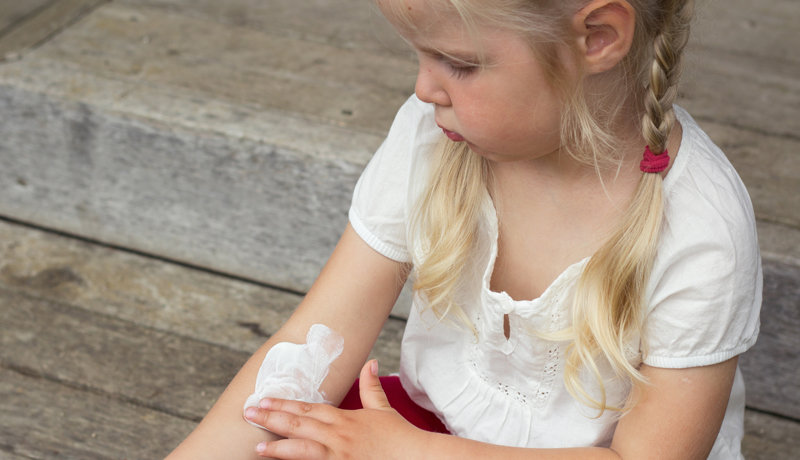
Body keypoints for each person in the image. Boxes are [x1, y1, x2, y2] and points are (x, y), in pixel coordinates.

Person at [167, 0, 761, 458]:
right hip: (427, 434)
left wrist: (418, 452)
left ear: (598, 36)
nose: (426, 88)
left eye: (460, 63)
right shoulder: (433, 135)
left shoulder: (700, 228)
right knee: (287, 434)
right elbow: (318, 336)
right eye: (421, 56)